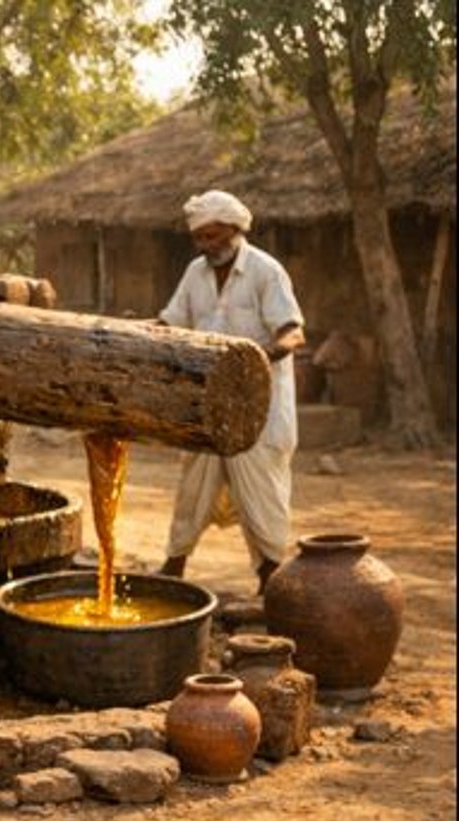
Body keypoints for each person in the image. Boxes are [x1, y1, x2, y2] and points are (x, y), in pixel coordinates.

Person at [157, 189, 307, 592]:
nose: (206, 245)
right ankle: (173, 569)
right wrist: (142, 334)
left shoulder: (265, 271)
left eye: (213, 236)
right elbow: (171, 321)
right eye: (200, 238)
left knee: (262, 493)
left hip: (261, 407)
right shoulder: (195, 273)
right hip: (208, 406)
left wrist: (258, 358)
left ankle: (270, 580)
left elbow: (293, 332)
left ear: (235, 230)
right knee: (193, 487)